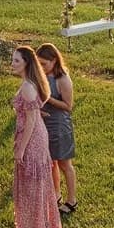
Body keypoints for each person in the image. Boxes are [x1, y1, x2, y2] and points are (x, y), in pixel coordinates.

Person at [10, 47, 61, 228]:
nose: (12, 64)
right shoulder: (30, 83)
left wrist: (21, 149)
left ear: (26, 63)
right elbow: (33, 113)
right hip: (36, 133)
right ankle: (42, 224)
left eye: (16, 61)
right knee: (36, 181)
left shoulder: (28, 87)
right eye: (13, 60)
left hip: (32, 138)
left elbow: (30, 120)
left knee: (33, 181)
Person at [35, 42, 77, 216]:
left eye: (44, 64)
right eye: (39, 64)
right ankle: (56, 194)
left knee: (64, 164)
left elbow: (68, 106)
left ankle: (72, 200)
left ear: (54, 61)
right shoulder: (41, 76)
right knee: (50, 162)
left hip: (59, 126)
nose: (41, 67)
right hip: (43, 125)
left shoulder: (62, 79)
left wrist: (49, 99)